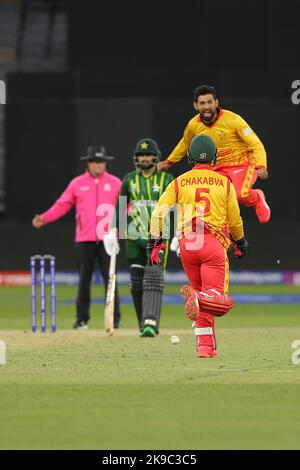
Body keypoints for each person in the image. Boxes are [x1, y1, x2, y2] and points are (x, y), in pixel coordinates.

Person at [148, 134, 249, 358]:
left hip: (187, 245)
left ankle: (205, 347)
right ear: (214, 157)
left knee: (204, 301)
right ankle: (198, 297)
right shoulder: (224, 182)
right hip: (212, 244)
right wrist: (240, 241)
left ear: (191, 157)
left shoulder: (178, 182)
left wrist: (155, 243)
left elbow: (158, 213)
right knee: (221, 302)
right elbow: (235, 220)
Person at [32, 145, 122, 329]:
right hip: (84, 239)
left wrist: (117, 230)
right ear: (88, 163)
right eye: (96, 161)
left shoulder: (115, 183)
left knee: (110, 279)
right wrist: (45, 218)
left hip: (108, 239)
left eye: (102, 161)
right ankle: (82, 319)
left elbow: (125, 207)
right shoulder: (77, 183)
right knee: (84, 280)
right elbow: (62, 205)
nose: (100, 165)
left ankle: (114, 319)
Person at [158, 84, 271, 224]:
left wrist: (261, 165)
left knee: (240, 194)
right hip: (216, 167)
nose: (206, 106)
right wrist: (169, 162)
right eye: (202, 103)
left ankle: (258, 197)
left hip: (242, 163)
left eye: (210, 102)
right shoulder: (193, 125)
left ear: (216, 103)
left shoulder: (233, 120)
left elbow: (255, 143)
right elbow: (185, 144)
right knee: (211, 194)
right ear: (195, 105)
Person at [103, 138, 176, 337]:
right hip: (134, 237)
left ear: (156, 157)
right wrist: (112, 230)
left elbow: (178, 206)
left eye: (148, 154)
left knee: (153, 279)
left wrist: (179, 233)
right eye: (141, 155)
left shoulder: (167, 180)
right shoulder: (129, 179)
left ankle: (150, 322)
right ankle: (143, 323)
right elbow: (120, 207)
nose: (144, 158)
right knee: (136, 283)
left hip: (158, 237)